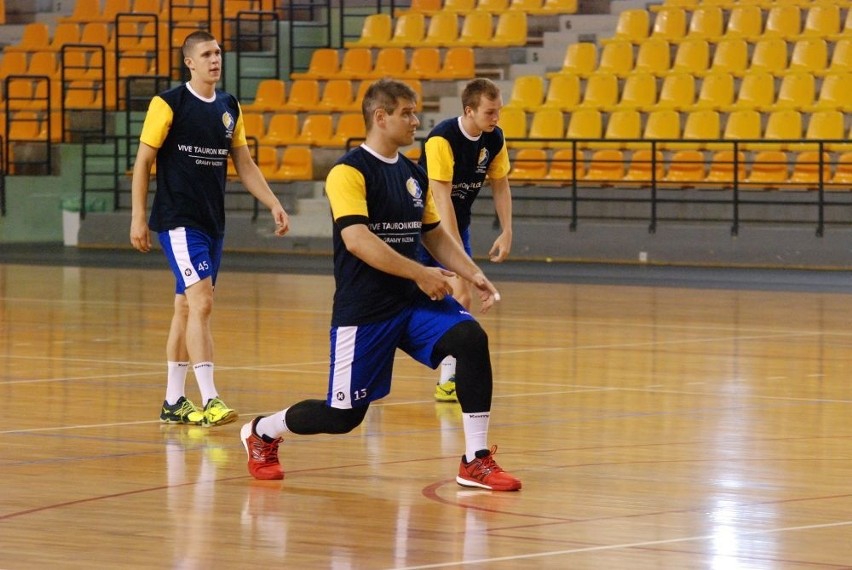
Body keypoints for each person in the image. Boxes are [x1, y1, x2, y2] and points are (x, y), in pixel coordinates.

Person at [239, 79, 521, 491]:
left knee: (470, 339)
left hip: (410, 305)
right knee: (343, 416)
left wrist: (470, 272)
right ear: (380, 117)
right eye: (407, 113)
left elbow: (435, 234)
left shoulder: (412, 173)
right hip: (366, 310)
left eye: (415, 112)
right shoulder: (348, 172)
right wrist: (421, 273)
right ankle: (262, 431)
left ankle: (475, 461)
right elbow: (357, 241)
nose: (415, 120)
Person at [130, 30, 290, 427]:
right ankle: (211, 398)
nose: (215, 59)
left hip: (211, 223)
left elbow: (245, 164)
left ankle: (173, 402)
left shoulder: (228, 106)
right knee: (202, 302)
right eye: (206, 54)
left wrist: (272, 202)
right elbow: (143, 162)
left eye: (218, 52)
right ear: (190, 62)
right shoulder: (169, 104)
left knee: (185, 306)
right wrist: (137, 216)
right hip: (178, 221)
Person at [418, 78, 513, 403]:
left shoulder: (494, 138)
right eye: (490, 112)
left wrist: (507, 229)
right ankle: (371, 373)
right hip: (418, 227)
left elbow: (500, 183)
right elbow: (441, 201)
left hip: (459, 224)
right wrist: (456, 260)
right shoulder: (442, 139)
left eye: (498, 111)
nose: (496, 118)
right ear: (469, 110)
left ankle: (447, 380)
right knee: (395, 302)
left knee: (462, 299)